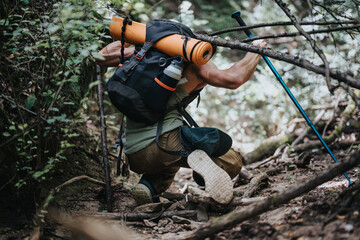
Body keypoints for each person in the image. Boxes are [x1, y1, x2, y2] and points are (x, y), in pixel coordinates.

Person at [97, 38, 267, 205]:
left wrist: (130, 36)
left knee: (171, 162)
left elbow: (100, 56)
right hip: (165, 144)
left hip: (134, 153)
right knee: (232, 159)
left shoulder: (145, 57)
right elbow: (234, 78)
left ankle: (148, 187)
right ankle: (201, 164)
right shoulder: (198, 64)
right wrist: (255, 50)